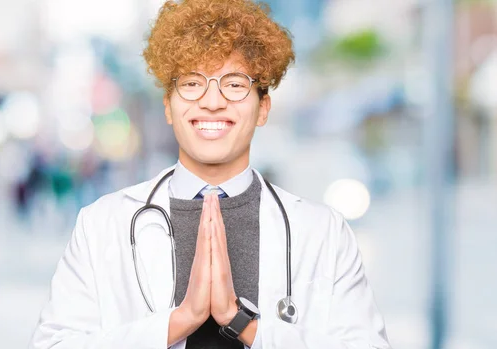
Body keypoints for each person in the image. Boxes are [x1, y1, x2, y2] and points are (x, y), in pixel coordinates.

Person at [29, 0, 392, 348]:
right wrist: (180, 321)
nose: (213, 101)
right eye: (191, 83)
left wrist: (244, 325)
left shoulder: (324, 233)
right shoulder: (100, 226)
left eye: (234, 84)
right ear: (168, 106)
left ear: (263, 107)